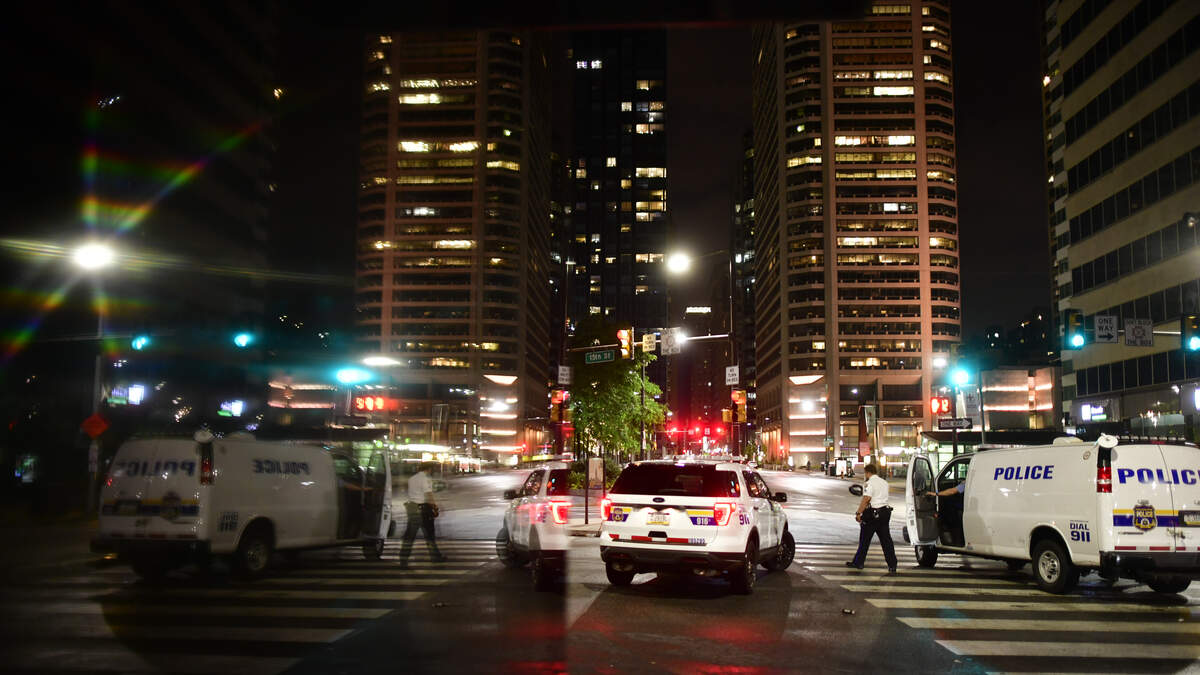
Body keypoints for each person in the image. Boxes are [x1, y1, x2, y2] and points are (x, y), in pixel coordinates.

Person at [846, 463, 898, 573]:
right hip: (885, 513)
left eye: (865, 473)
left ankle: (859, 562)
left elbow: (866, 499)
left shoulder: (869, 483)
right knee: (886, 541)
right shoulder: (884, 483)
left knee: (864, 540)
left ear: (868, 472)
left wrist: (858, 513)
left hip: (872, 514)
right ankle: (892, 565)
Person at [398, 462, 448, 569]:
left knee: (410, 536)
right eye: (432, 469)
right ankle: (435, 557)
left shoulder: (412, 478)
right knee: (430, 535)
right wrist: (434, 506)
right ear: (429, 469)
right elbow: (428, 494)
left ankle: (403, 558)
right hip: (423, 509)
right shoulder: (425, 479)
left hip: (411, 508)